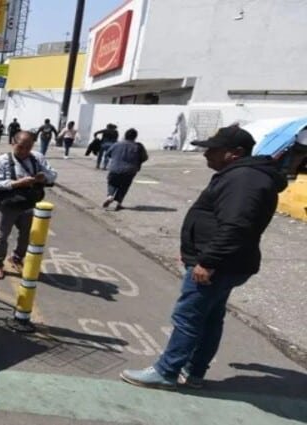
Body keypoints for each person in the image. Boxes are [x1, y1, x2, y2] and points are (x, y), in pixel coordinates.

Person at [120, 125, 287, 390]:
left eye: (213, 149)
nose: (206, 154)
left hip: (219, 265)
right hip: (227, 262)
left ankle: (167, 371)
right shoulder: (242, 175)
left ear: (235, 153)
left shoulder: (244, 180)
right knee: (209, 318)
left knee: (188, 317)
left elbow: (236, 226)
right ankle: (194, 371)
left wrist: (207, 261)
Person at [0, 131, 58, 280]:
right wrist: (16, 183)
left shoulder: (37, 158)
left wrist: (43, 177)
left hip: (29, 204)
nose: (25, 151)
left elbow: (52, 174)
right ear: (13, 144)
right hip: (7, 204)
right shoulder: (2, 160)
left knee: (27, 235)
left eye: (28, 147)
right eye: (21, 147)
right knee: (2, 236)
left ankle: (17, 257)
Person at [103, 128, 149, 210]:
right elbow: (145, 157)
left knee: (112, 183)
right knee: (124, 186)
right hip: (130, 170)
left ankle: (110, 196)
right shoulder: (138, 146)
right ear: (135, 137)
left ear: (125, 135)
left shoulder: (117, 144)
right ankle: (118, 202)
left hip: (115, 168)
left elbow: (108, 154)